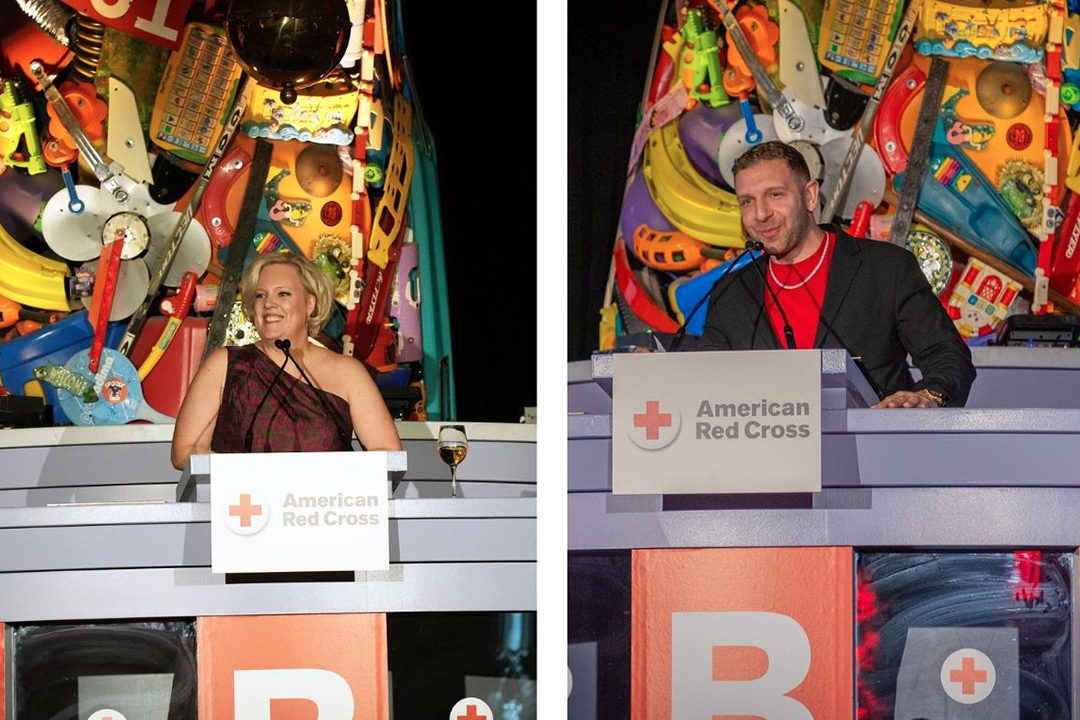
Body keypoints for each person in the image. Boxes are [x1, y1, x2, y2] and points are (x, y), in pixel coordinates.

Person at [699, 141, 976, 408]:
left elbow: (948, 356)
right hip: (766, 453)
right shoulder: (731, 292)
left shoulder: (886, 268)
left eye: (775, 195)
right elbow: (705, 377)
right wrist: (661, 371)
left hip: (870, 450)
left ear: (809, 196)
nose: (760, 214)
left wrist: (926, 397)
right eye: (747, 201)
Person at [171, 252, 401, 469]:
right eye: (261, 295)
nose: (269, 303)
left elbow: (387, 454)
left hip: (327, 508)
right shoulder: (225, 365)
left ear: (310, 304)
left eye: (283, 293)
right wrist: (249, 476)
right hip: (245, 506)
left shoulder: (348, 372)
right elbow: (185, 451)